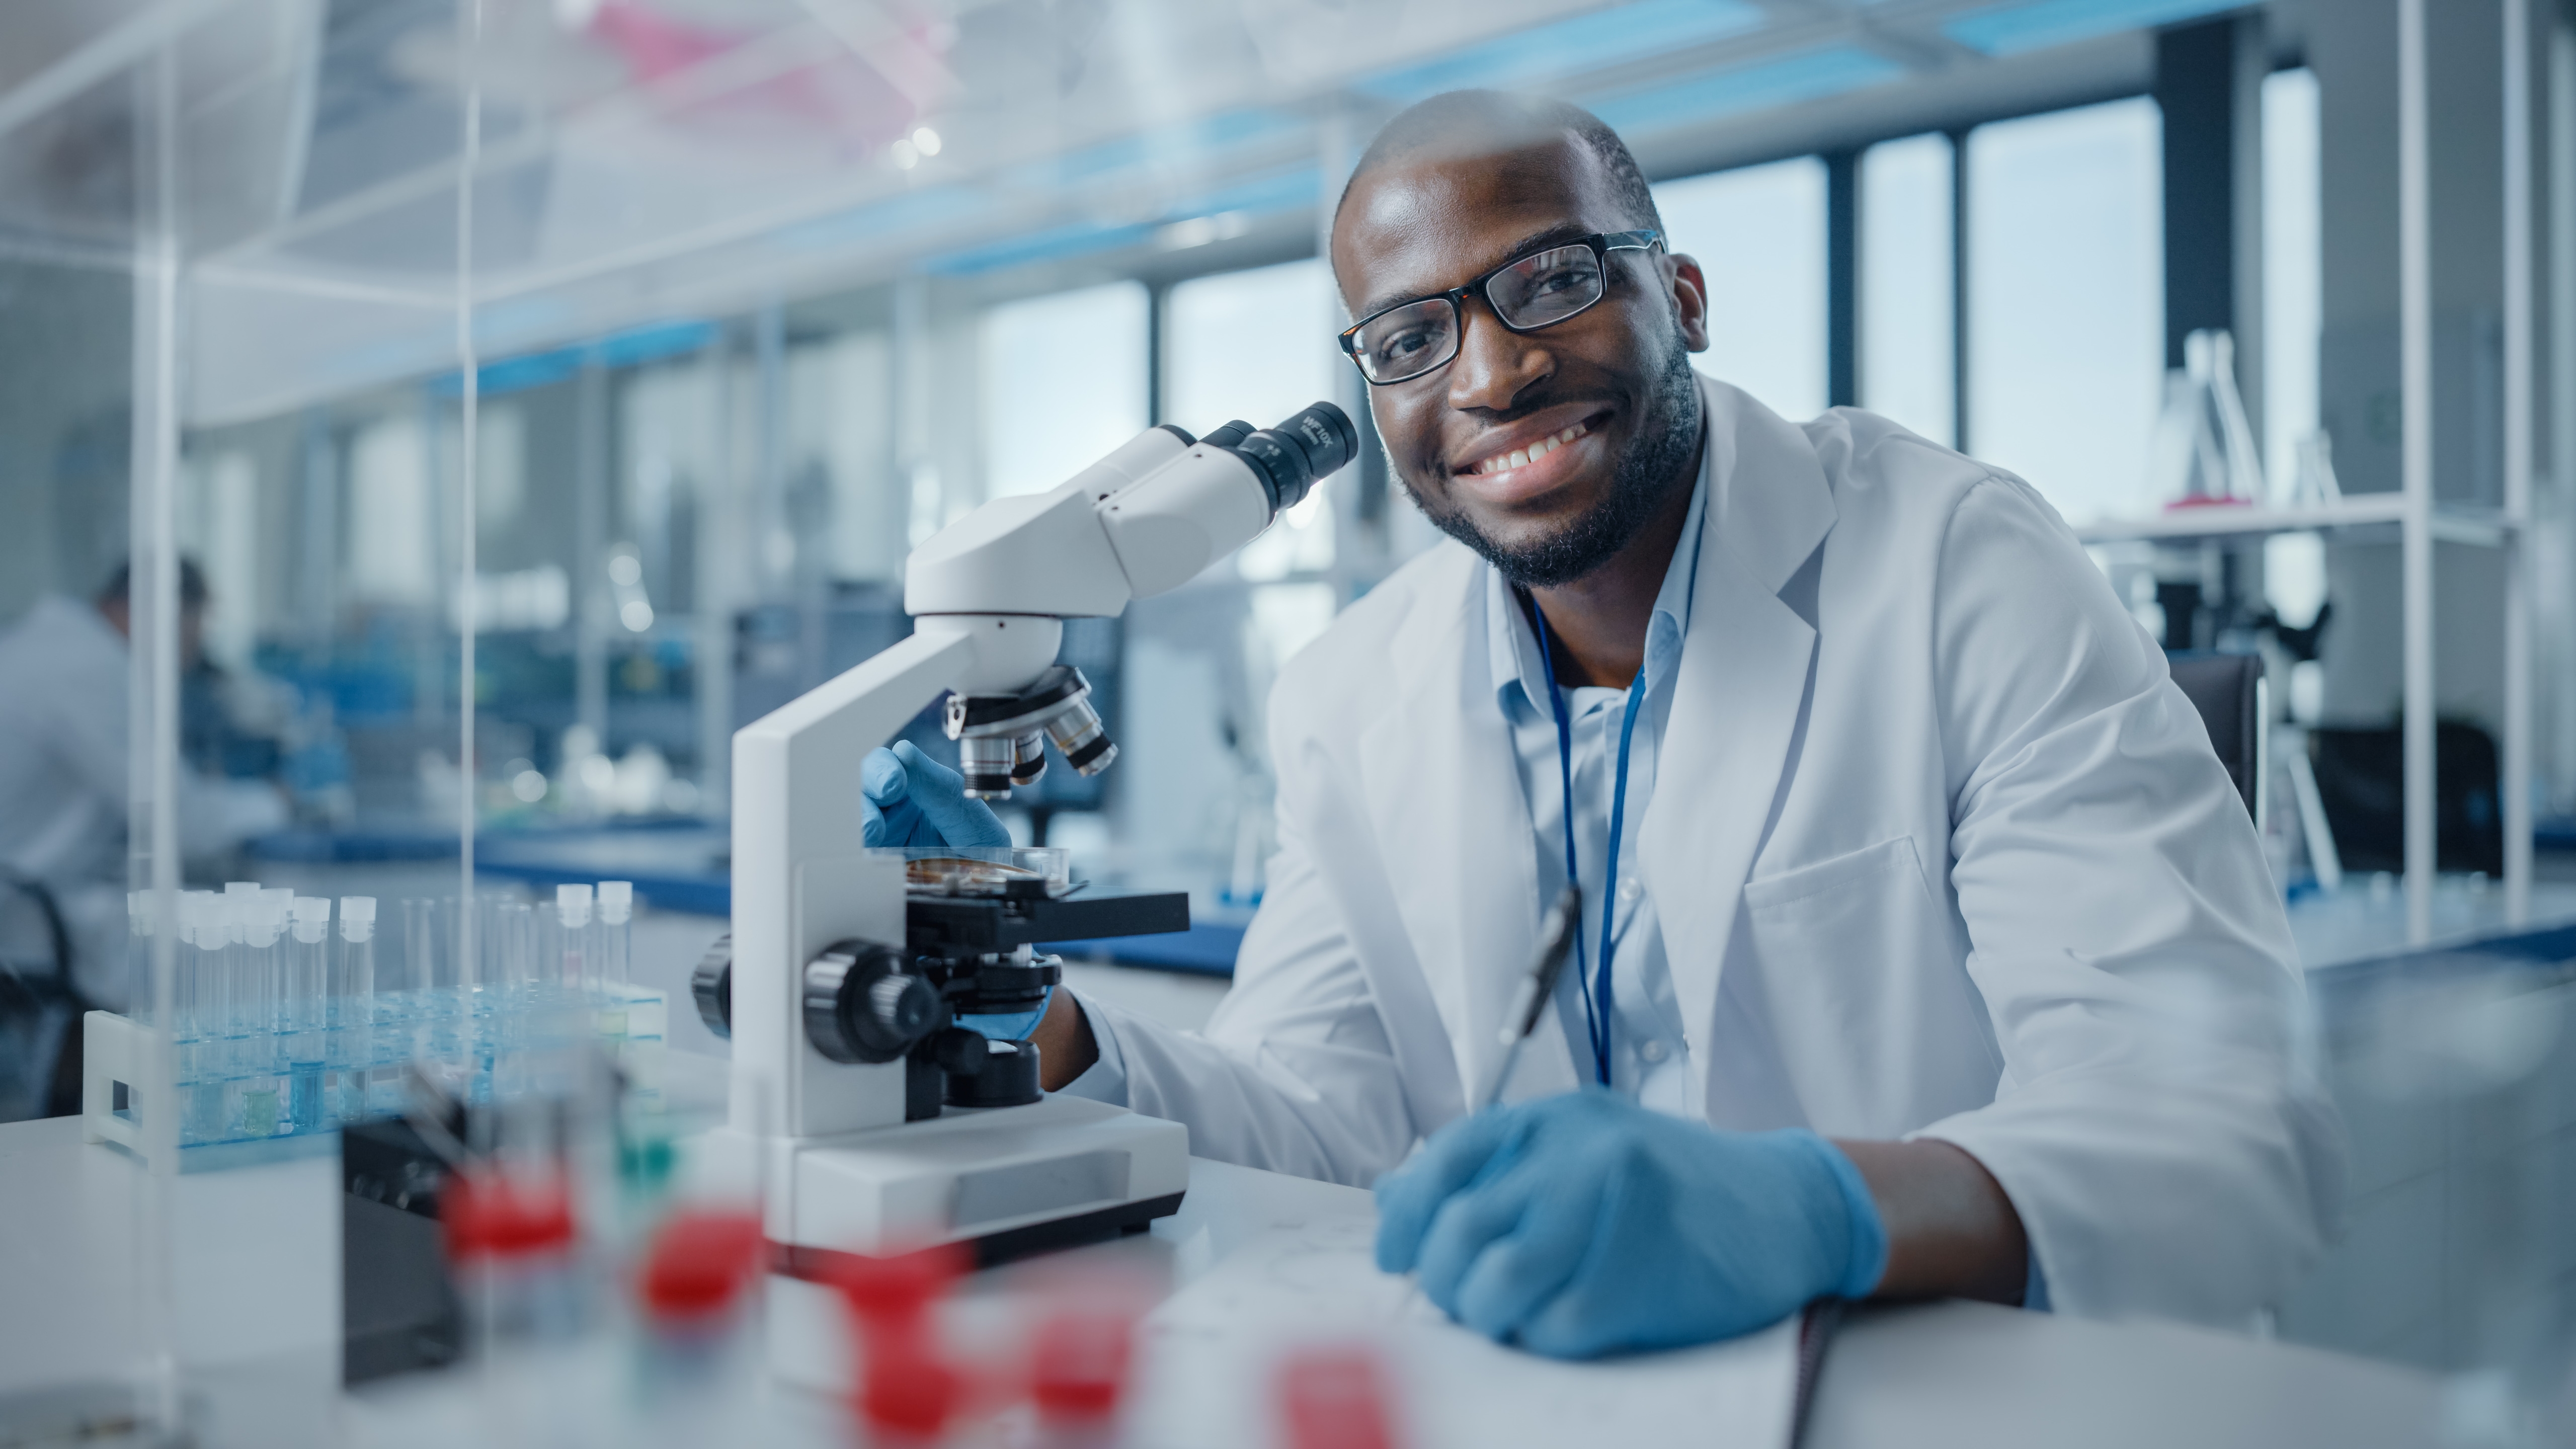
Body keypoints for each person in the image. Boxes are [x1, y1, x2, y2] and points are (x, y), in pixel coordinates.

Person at [863, 91, 2342, 1358]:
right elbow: (1320, 1132)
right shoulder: (1345, 695)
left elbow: (2213, 1128)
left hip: (1918, 1390)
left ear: (1680, 296)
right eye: (1407, 338)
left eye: (1553, 280)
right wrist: (1046, 1028)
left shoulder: (1957, 567)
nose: (1491, 372)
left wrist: (1815, 1210)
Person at [0, 559, 286, 1014]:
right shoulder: (90, 666)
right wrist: (274, 802)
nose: (194, 649)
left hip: (27, 895)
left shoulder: (52, 646)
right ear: (167, 615)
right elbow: (183, 822)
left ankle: (80, 1069)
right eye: (195, 629)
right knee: (229, 952)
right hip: (25, 911)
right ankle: (116, 1077)